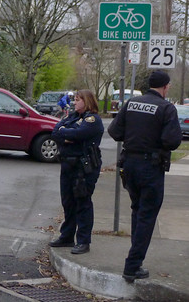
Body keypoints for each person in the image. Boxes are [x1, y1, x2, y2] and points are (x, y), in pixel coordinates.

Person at [107, 70, 182, 283]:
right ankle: (132, 265)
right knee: (147, 215)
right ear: (166, 87)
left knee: (138, 210)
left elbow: (114, 131)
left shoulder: (131, 103)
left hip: (129, 164)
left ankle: (135, 260)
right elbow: (172, 140)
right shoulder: (166, 108)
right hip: (151, 166)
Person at [49, 89, 104, 254]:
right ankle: (67, 236)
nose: (75, 102)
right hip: (67, 165)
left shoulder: (93, 120)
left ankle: (83, 241)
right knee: (68, 202)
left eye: (78, 99)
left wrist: (66, 134)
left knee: (83, 203)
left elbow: (80, 134)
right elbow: (55, 132)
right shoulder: (71, 117)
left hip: (84, 167)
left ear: (86, 101)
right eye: (75, 99)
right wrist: (67, 135)